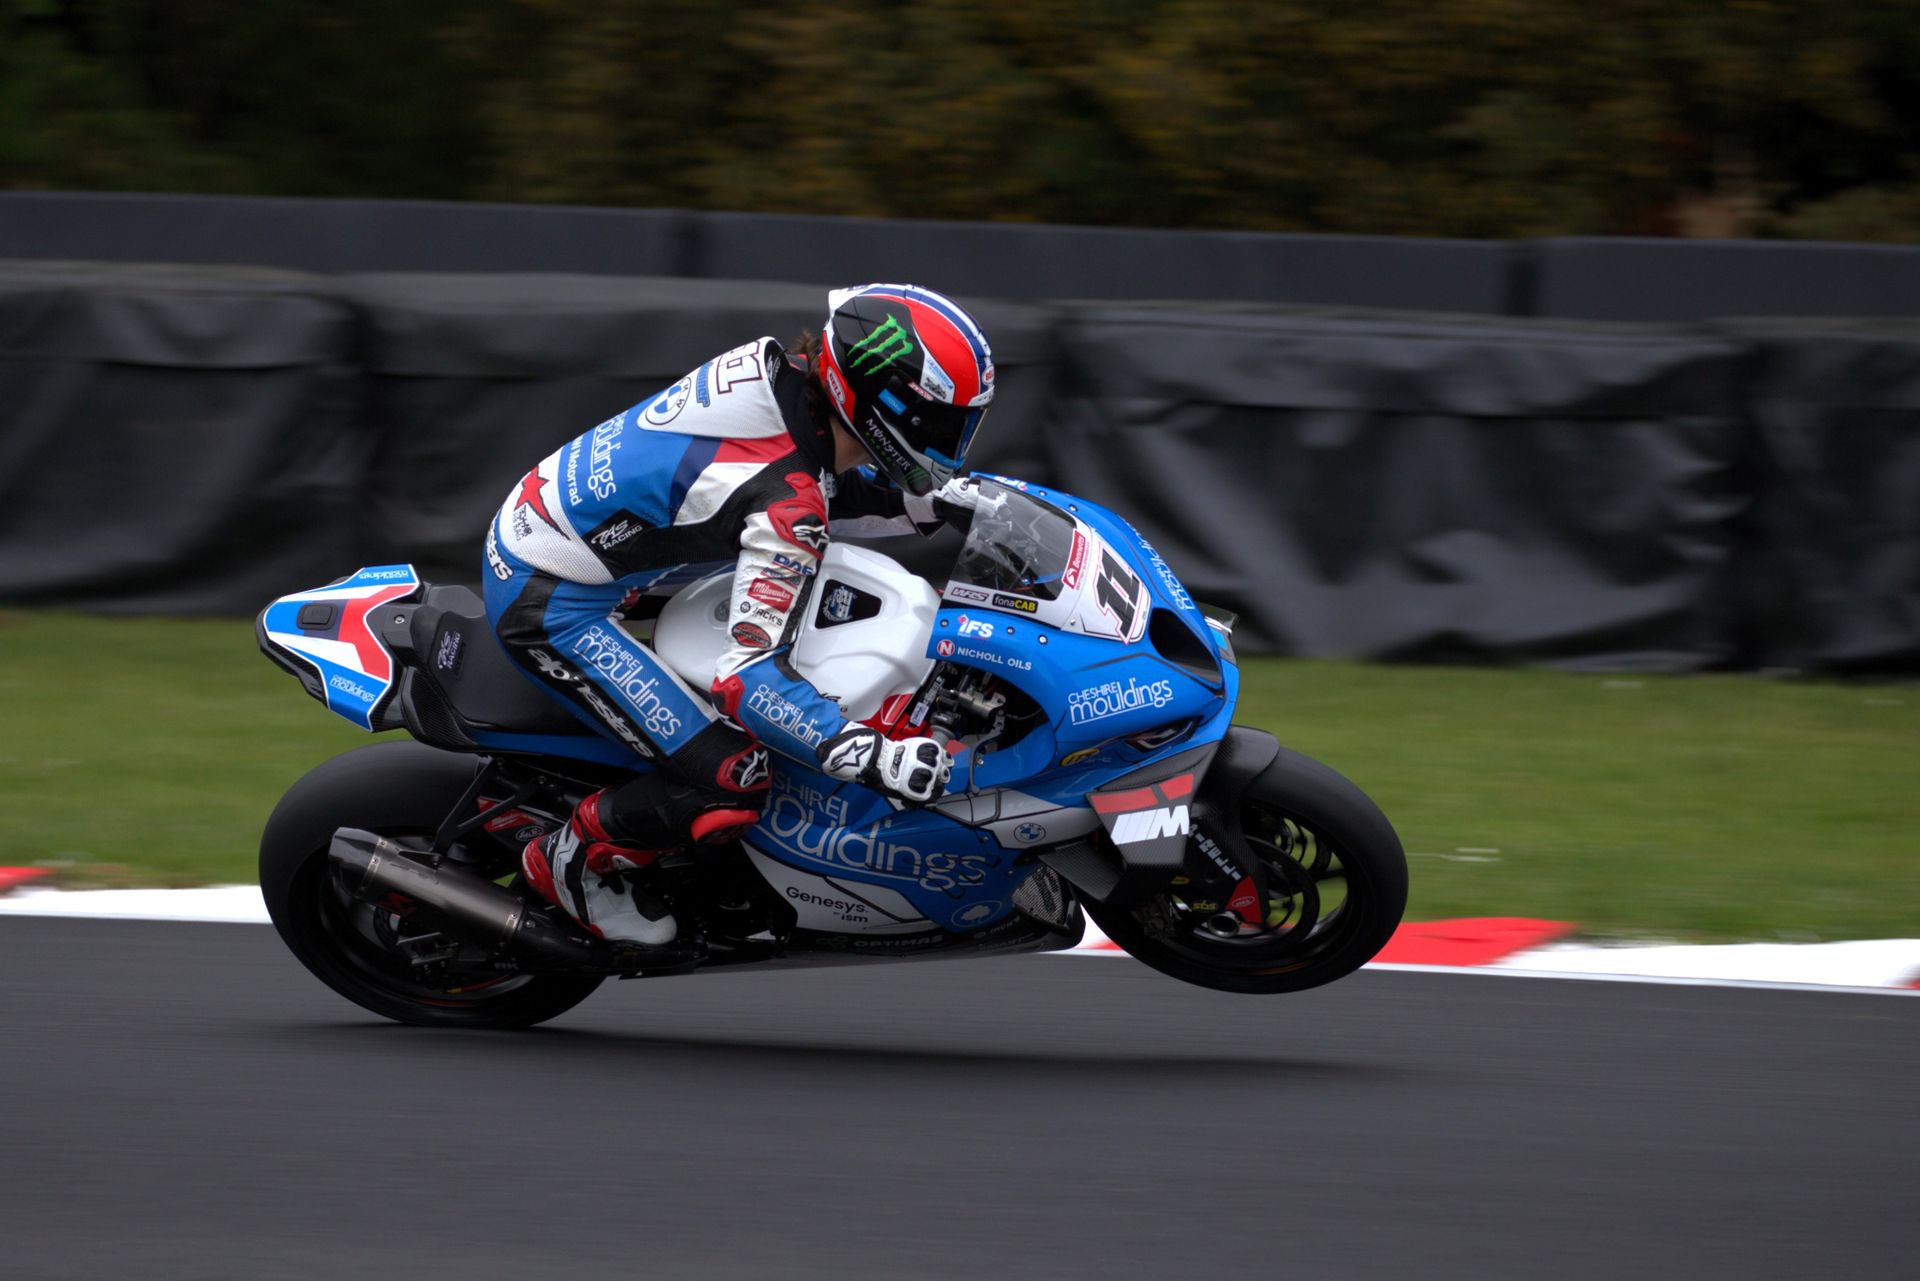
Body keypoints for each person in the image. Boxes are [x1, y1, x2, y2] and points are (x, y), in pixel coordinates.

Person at [482, 284, 997, 946]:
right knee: (733, 773)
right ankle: (570, 862)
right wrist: (862, 751)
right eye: (946, 423)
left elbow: (826, 485)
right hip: (550, 599)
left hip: (584, 537)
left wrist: (958, 503)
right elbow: (749, 674)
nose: (954, 439)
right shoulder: (786, 506)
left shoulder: (785, 378)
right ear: (887, 406)